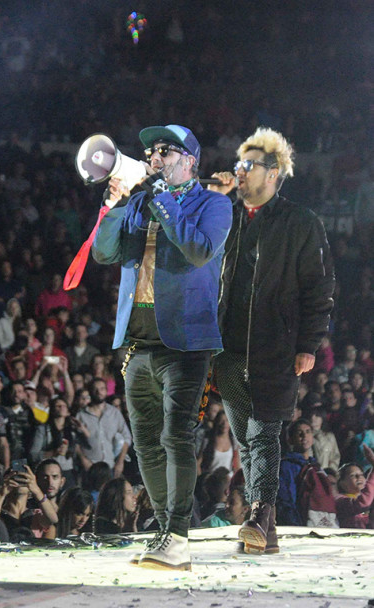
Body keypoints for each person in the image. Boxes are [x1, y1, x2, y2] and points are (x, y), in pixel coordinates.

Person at [91, 124, 232, 570]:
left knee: (176, 436)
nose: (155, 156)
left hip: (187, 343)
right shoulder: (140, 201)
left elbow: (198, 249)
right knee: (146, 443)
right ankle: (167, 527)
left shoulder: (214, 204)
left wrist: (161, 200)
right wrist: (113, 205)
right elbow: (104, 253)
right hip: (138, 340)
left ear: (190, 161)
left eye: (166, 150)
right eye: (151, 150)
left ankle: (177, 534)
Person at [210, 128, 335, 554]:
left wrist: (308, 344)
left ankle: (260, 514)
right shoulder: (223, 214)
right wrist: (211, 199)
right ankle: (268, 531)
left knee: (264, 433)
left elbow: (319, 289)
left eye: (249, 166)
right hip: (226, 347)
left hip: (275, 347)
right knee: (246, 437)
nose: (240, 172)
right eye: (239, 164)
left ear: (274, 172)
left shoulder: (301, 222)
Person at [335, 444, 374, 528]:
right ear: (342, 483)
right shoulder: (340, 500)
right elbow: (363, 502)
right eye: (353, 475)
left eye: (361, 474)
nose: (359, 477)